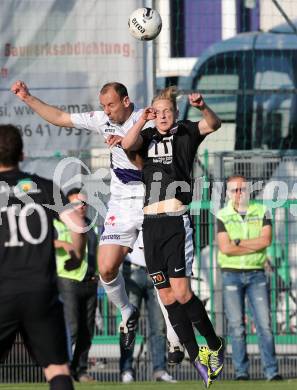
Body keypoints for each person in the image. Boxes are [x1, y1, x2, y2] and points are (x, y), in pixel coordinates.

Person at [11, 80, 184, 361]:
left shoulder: (148, 121)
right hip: (121, 203)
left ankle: (174, 339)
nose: (106, 111)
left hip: (152, 201)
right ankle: (127, 311)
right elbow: (61, 118)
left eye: (111, 105)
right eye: (103, 105)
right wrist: (28, 97)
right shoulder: (102, 119)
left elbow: (145, 159)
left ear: (126, 102)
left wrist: (128, 146)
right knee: (105, 268)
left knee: (159, 274)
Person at [121, 86, 224, 388]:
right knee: (166, 296)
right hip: (151, 225)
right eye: (158, 111)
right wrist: (142, 120)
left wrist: (204, 107)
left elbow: (213, 124)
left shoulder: (186, 132)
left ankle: (215, 344)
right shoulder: (147, 135)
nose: (163, 116)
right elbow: (128, 142)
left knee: (182, 293)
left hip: (177, 221)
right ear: (152, 113)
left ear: (176, 113)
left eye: (168, 111)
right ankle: (199, 359)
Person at [0, 124, 86, 390]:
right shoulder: (45, 187)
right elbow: (77, 225)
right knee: (57, 368)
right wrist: (77, 255)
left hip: (2, 292)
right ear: (22, 154)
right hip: (41, 292)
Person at [216, 175, 282, 381]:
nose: (238, 194)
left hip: (257, 274)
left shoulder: (262, 211)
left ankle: (272, 372)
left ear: (248, 191)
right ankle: (241, 372)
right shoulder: (222, 215)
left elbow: (266, 240)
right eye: (234, 190)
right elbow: (225, 248)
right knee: (237, 327)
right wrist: (251, 243)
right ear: (228, 193)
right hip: (231, 274)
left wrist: (238, 242)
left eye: (242, 189)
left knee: (265, 326)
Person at [120, 236, 182, 383]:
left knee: (159, 327)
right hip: (132, 269)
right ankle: (126, 370)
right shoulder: (128, 212)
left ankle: (160, 370)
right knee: (129, 325)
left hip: (158, 271)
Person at [54, 187, 98, 383]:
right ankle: (62, 370)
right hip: (67, 281)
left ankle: (80, 370)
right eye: (76, 203)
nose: (81, 207)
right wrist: (63, 244)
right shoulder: (58, 223)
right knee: (70, 329)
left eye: (84, 203)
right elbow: (46, 241)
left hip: (89, 282)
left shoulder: (90, 225)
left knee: (86, 331)